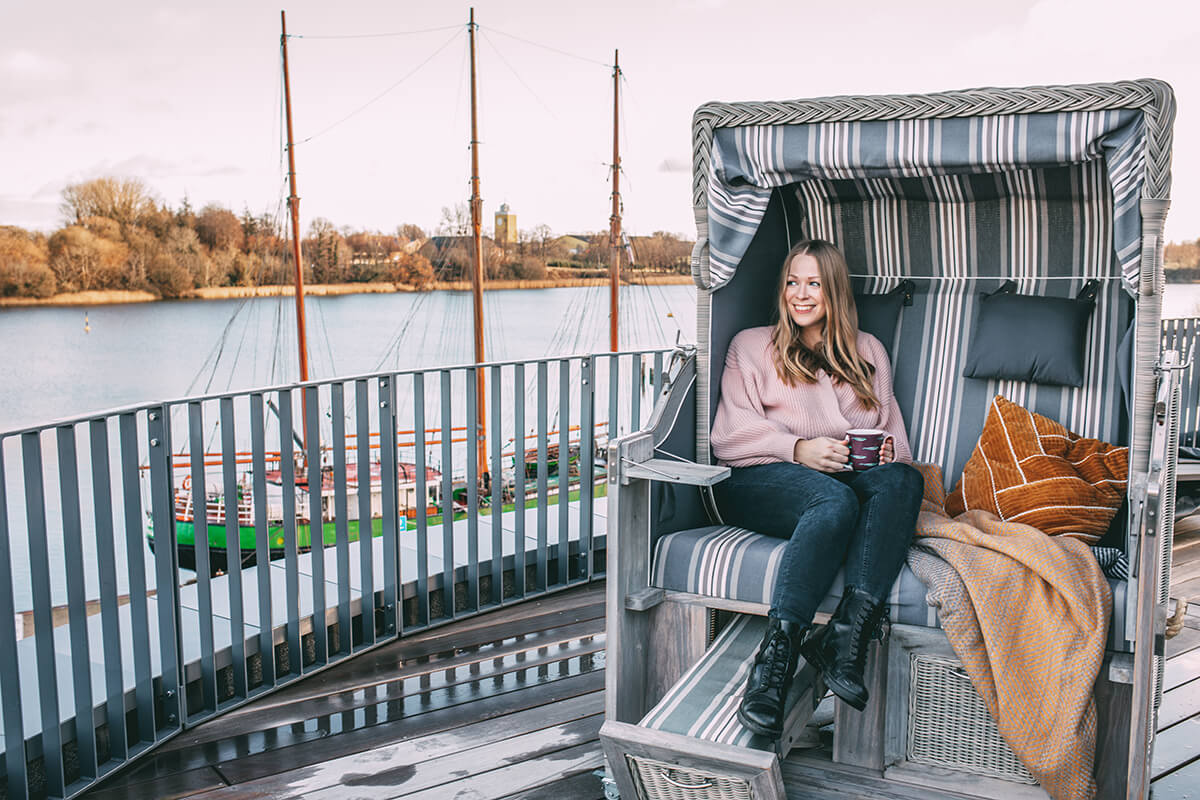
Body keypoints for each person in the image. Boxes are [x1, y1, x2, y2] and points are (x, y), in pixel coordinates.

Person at [710, 238, 924, 739]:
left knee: (904, 480)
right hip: (759, 476)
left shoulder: (868, 350)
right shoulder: (751, 345)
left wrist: (890, 453)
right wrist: (799, 448)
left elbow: (895, 437)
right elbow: (730, 436)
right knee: (833, 500)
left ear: (835, 292)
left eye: (813, 283)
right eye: (792, 282)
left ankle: (846, 638)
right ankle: (774, 667)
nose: (800, 295)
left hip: (846, 480)